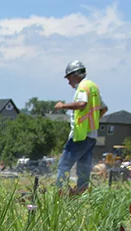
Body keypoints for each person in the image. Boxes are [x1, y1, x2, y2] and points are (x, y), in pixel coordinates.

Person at [54, 60, 107, 193]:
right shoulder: (93, 86)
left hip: (80, 135)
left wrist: (63, 106)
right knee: (83, 169)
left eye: (69, 78)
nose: (68, 82)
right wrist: (92, 122)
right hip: (91, 136)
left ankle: (60, 196)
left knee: (63, 166)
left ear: (75, 75)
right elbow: (104, 108)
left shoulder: (83, 87)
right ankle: (81, 196)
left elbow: (82, 104)